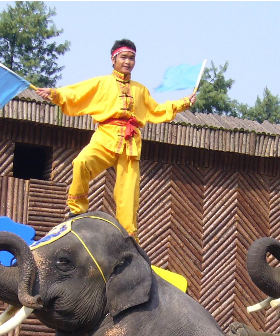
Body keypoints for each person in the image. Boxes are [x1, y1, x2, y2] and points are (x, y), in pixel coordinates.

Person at [36, 39, 196, 239]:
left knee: (128, 195)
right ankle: (77, 210)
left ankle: (128, 238)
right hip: (106, 136)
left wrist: (182, 103)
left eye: (132, 58)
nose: (128, 62)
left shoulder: (140, 90)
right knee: (81, 163)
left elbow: (156, 110)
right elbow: (76, 93)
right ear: (113, 59)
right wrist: (55, 93)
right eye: (124, 57)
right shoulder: (102, 83)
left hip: (130, 144)